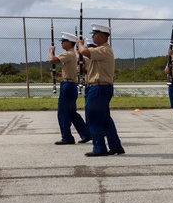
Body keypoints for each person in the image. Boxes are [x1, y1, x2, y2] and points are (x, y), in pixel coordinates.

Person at [78, 23, 124, 157]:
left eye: (94, 34)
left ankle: (99, 147)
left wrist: (80, 44)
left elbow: (85, 51)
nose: (92, 37)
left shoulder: (104, 50)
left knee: (93, 118)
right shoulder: (100, 51)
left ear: (102, 36)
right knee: (104, 119)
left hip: (99, 87)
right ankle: (115, 146)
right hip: (100, 87)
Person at [47, 32, 91, 145]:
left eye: (63, 42)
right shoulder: (71, 55)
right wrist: (58, 75)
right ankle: (86, 133)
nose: (62, 44)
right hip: (70, 84)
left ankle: (67, 137)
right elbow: (69, 72)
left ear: (68, 43)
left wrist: (51, 51)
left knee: (63, 112)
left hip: (67, 86)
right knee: (71, 113)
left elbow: (52, 60)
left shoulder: (68, 54)